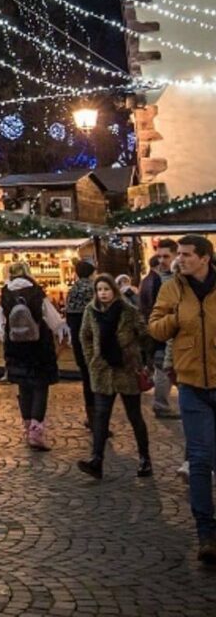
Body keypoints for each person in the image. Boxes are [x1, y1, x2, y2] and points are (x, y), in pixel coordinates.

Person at [149, 234, 216, 566]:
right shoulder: (171, 288)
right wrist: (176, 318)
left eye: (188, 255)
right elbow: (155, 329)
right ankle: (206, 533)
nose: (181, 260)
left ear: (205, 258)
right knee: (200, 459)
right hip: (191, 385)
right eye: (181, 255)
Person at [76, 274, 152, 480]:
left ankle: (145, 458)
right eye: (99, 289)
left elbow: (144, 336)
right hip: (102, 370)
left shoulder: (128, 311)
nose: (103, 293)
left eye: (106, 289)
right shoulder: (91, 311)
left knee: (134, 416)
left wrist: (143, 360)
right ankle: (96, 460)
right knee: (100, 417)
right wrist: (92, 358)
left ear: (114, 290)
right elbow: (85, 336)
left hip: (127, 369)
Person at [0, 261, 63, 450]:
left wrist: (6, 335)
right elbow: (54, 321)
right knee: (40, 386)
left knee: (24, 388)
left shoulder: (5, 293)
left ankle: (27, 428)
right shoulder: (37, 292)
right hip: (39, 346)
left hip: (15, 347)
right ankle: (36, 433)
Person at [139, 240, 178, 418]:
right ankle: (161, 404)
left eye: (166, 256)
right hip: (163, 333)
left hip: (167, 334)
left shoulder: (156, 279)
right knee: (163, 367)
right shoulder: (157, 280)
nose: (162, 260)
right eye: (159, 256)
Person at [64, 259, 97, 430]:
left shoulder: (72, 289)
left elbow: (68, 316)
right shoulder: (94, 288)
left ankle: (91, 417)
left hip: (78, 340)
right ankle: (99, 419)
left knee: (86, 378)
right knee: (98, 379)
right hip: (93, 340)